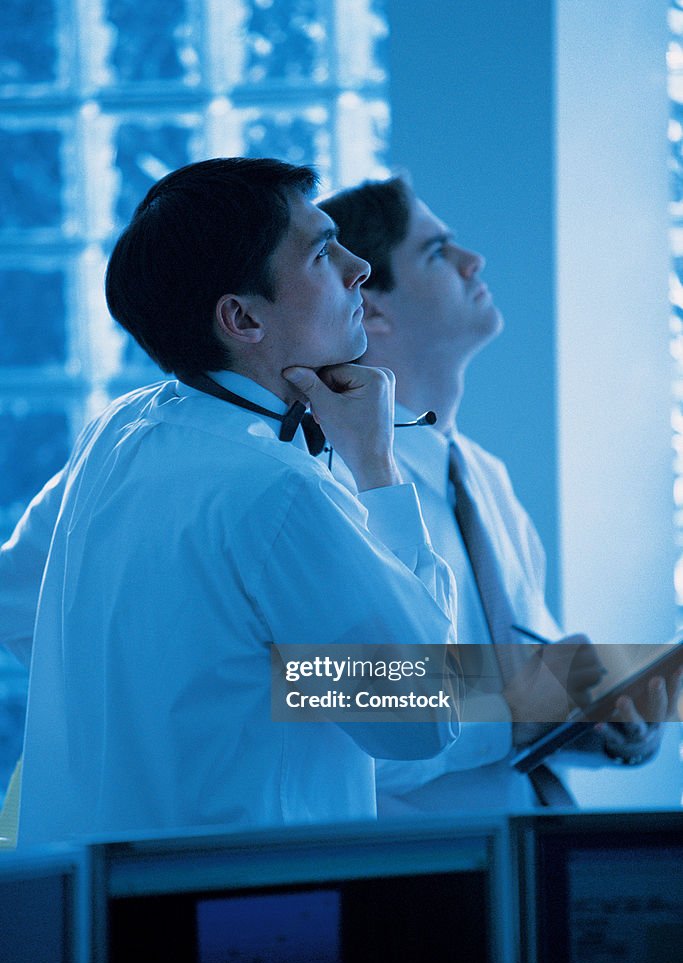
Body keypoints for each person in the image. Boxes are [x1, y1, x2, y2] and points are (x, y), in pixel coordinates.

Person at [1, 158, 462, 846]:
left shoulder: (121, 429)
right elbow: (420, 719)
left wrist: (185, 688)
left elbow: (18, 600)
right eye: (321, 251)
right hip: (243, 906)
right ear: (242, 317)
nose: (357, 267)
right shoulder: (282, 489)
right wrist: (375, 466)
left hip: (97, 895)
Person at [318, 175, 681, 812]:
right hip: (428, 875)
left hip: (532, 849)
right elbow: (343, 722)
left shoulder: (483, 475)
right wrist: (519, 706)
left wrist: (607, 726)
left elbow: (527, 690)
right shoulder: (335, 483)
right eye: (437, 252)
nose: (473, 261)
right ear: (371, 306)